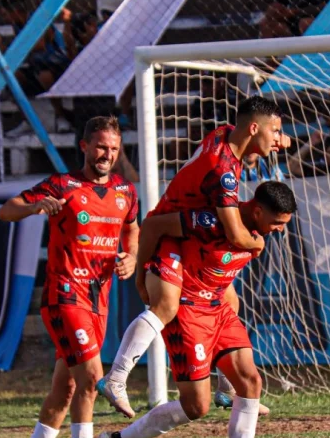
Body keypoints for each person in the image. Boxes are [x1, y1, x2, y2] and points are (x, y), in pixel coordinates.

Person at [97, 96, 291, 418]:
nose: (277, 137)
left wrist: (274, 137)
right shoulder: (223, 173)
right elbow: (234, 234)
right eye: (274, 131)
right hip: (171, 231)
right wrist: (257, 245)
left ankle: (227, 388)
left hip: (189, 230)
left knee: (229, 303)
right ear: (255, 128)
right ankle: (116, 378)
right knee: (167, 306)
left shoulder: (227, 135)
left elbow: (250, 133)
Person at [98, 181, 297, 438]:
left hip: (217, 308)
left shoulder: (255, 236)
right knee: (195, 406)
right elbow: (154, 226)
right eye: (277, 223)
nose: (279, 230)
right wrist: (142, 273)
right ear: (257, 210)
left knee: (251, 381)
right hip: (187, 312)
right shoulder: (208, 221)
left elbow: (221, 273)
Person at [0, 115, 139, 438]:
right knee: (93, 375)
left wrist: (131, 255)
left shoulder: (126, 191)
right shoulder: (62, 185)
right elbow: (6, 209)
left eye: (113, 149)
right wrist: (35, 206)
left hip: (98, 299)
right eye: (99, 147)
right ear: (84, 147)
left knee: (67, 390)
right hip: (64, 295)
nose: (106, 155)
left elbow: (132, 227)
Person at [0, 0, 73, 133]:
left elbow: (39, 46)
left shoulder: (37, 19)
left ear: (15, 11)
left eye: (5, 13)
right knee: (13, 77)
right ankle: (27, 120)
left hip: (57, 66)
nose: (4, 18)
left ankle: (60, 117)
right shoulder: (17, 24)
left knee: (44, 74)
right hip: (37, 66)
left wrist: (10, 49)